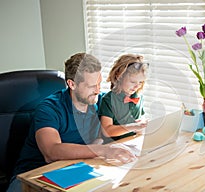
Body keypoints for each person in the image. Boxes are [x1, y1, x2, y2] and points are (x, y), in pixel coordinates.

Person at [7, 53, 136, 192]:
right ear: (72, 84)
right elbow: (51, 152)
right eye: (92, 86)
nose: (97, 90)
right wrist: (101, 150)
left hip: (74, 169)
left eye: (99, 84)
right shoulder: (48, 109)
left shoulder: (99, 101)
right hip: (32, 177)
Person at [100, 54, 149, 144]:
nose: (137, 86)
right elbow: (107, 131)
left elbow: (141, 118)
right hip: (114, 146)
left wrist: (142, 124)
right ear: (119, 76)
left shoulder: (139, 97)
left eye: (141, 82)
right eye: (133, 82)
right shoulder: (108, 100)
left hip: (133, 142)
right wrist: (133, 126)